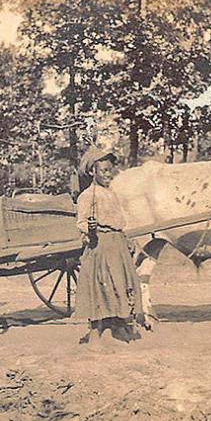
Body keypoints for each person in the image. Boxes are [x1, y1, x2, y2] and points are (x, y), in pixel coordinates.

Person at [75, 146, 145, 344]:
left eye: (110, 170)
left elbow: (119, 221)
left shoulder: (112, 194)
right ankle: (96, 334)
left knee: (120, 285)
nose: (108, 174)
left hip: (117, 245)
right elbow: (81, 223)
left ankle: (118, 327)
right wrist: (90, 228)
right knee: (100, 287)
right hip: (101, 245)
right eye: (103, 170)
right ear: (92, 172)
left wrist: (127, 239)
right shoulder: (88, 197)